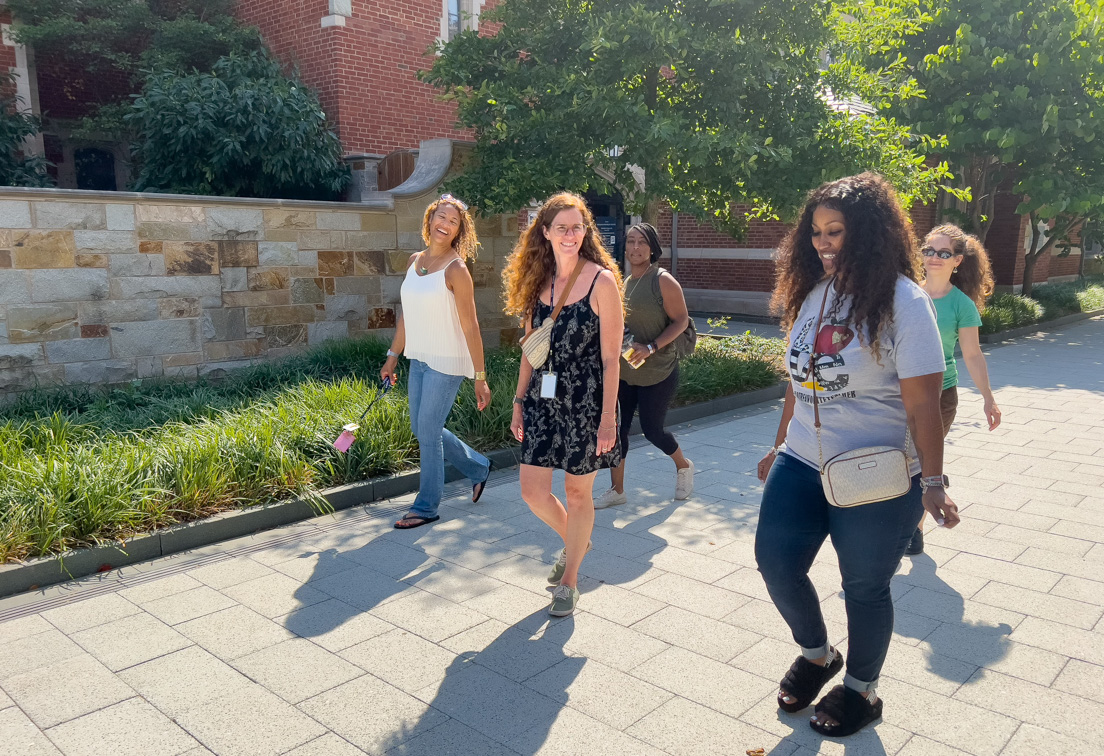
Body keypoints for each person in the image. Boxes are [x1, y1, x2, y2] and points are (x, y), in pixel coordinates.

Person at [754, 173, 961, 737]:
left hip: (876, 473)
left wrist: (934, 483)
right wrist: (778, 447)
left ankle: (862, 691)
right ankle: (819, 654)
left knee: (864, 586)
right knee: (775, 562)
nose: (823, 243)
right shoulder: (814, 293)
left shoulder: (904, 301)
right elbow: (798, 382)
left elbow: (924, 406)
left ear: (867, 233)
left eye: (836, 232)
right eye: (817, 232)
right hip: (802, 460)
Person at [504, 192, 624, 617]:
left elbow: (612, 359)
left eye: (578, 227)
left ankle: (570, 579)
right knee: (532, 491)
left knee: (577, 493)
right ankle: (578, 540)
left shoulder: (601, 282)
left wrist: (608, 419)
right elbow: (529, 350)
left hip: (588, 403)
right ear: (546, 232)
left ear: (585, 231)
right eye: (562, 227)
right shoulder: (538, 283)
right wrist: (518, 401)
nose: (570, 234)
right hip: (542, 397)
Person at [381, 194, 492, 529]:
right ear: (430, 219)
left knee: (427, 432)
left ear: (459, 231)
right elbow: (407, 317)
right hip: (420, 359)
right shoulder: (416, 261)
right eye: (441, 217)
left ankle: (426, 506)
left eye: (453, 221)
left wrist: (480, 376)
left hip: (447, 362)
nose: (445, 224)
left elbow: (471, 325)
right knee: (421, 428)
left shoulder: (457, 269)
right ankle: (477, 467)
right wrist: (392, 356)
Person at [906, 223, 1001, 554]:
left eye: (943, 253)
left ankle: (913, 529)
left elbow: (972, 355)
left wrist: (989, 399)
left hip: (940, 395)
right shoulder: (906, 293)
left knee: (922, 460)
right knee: (898, 460)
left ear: (957, 260)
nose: (934, 257)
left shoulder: (962, 304)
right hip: (900, 393)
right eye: (929, 250)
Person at [595, 222, 695, 509]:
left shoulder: (662, 280)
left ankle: (683, 466)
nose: (635, 248)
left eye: (641, 242)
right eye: (630, 242)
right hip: (626, 372)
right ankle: (617, 490)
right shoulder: (623, 282)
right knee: (617, 429)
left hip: (659, 371)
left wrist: (651, 347)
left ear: (652, 248)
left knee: (653, 430)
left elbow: (682, 321)